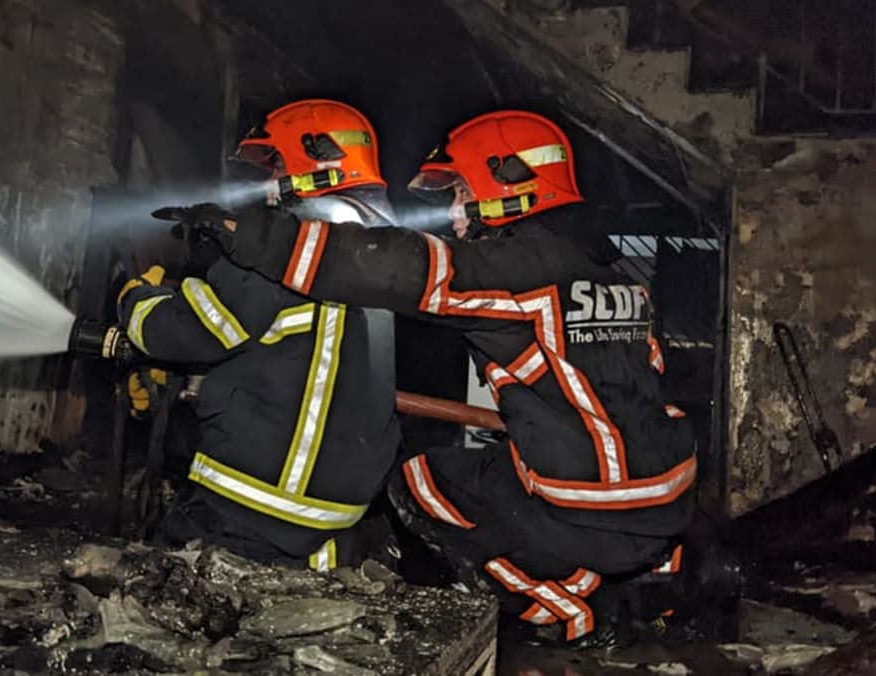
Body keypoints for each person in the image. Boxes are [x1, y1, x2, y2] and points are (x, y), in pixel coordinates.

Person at [163, 110, 697, 642]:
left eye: (462, 193)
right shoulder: (612, 279)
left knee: (420, 484)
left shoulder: (521, 269)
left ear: (508, 186)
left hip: (590, 507)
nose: (455, 213)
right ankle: (653, 581)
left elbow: (398, 269)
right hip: (670, 495)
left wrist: (249, 234)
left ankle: (573, 606)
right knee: (495, 470)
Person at [117, 99, 402, 571]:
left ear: (316, 161)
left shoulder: (291, 243)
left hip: (261, 497)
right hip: (339, 507)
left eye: (278, 165)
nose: (270, 183)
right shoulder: (375, 244)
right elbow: (297, 357)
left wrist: (137, 299)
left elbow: (188, 333)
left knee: (162, 586)